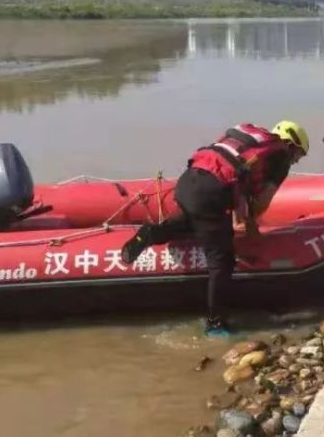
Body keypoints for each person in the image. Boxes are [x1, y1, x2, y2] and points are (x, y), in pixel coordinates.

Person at [121, 120, 309, 336]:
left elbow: (232, 176)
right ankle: (215, 323)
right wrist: (250, 233)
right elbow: (261, 201)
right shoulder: (280, 157)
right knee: (222, 260)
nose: (295, 161)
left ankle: (150, 233)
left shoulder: (247, 138)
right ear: (291, 144)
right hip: (211, 193)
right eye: (299, 156)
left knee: (193, 222)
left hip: (187, 183)